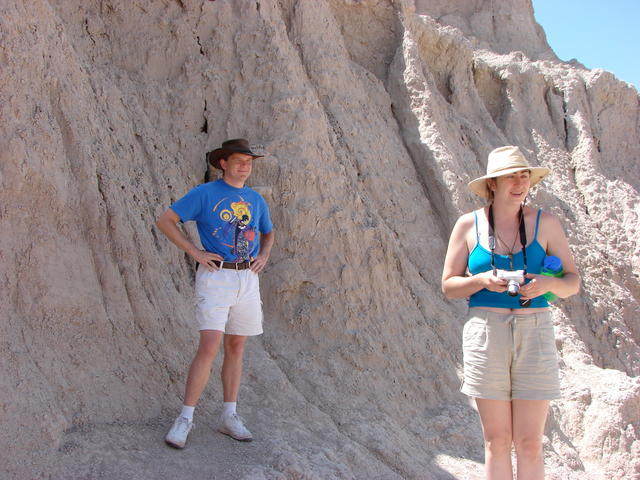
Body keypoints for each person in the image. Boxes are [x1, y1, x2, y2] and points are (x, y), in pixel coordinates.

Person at [441, 146, 580, 479]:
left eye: (524, 176)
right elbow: (448, 286)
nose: (519, 183)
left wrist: (546, 284)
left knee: (530, 442)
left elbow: (572, 282)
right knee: (497, 440)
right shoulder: (468, 225)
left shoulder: (545, 223)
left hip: (535, 330)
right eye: (510, 177)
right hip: (486, 332)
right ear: (493, 184)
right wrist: (481, 281)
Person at [157, 138, 275, 448]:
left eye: (248, 162)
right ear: (223, 163)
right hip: (216, 277)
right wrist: (194, 251)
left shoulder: (254, 199)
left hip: (247, 278)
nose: (244, 166)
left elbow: (268, 231)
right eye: (238, 160)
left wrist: (264, 254)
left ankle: (229, 415)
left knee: (236, 346)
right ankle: (185, 418)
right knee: (209, 345)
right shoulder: (205, 194)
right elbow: (166, 220)